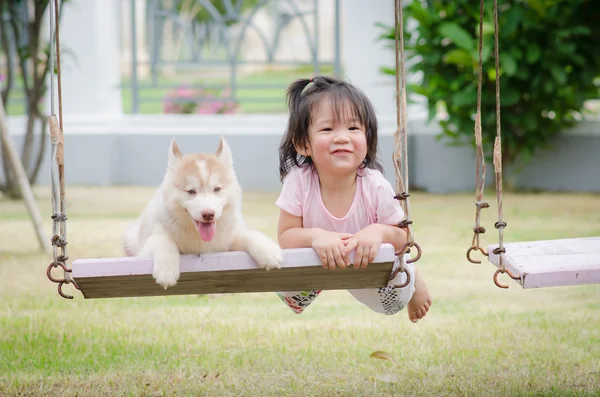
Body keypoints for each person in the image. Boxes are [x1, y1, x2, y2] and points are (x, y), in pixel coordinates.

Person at [274, 76, 432, 322]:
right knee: (289, 295)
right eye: (327, 129)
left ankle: (414, 277)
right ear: (303, 144)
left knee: (391, 304)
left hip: (365, 265)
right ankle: (321, 277)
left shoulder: (375, 184)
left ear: (367, 141)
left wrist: (378, 232)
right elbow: (285, 238)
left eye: (353, 128)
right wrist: (317, 237)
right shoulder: (299, 181)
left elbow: (404, 238)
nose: (341, 137)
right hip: (318, 261)